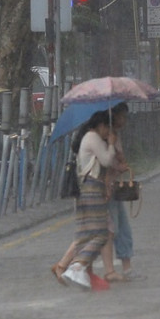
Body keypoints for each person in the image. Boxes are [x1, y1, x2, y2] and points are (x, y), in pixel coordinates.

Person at [60, 111, 117, 290]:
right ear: (100, 125)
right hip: (92, 189)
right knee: (100, 234)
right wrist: (112, 144)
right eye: (108, 128)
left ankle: (77, 268)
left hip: (87, 189)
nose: (109, 132)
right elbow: (107, 160)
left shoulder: (88, 137)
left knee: (86, 234)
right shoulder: (93, 138)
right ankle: (77, 266)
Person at [102, 102, 146, 282]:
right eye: (122, 116)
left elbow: (117, 159)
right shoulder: (104, 136)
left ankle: (126, 267)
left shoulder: (115, 135)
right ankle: (105, 269)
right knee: (110, 229)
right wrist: (117, 162)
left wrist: (121, 163)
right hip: (105, 189)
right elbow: (105, 161)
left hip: (115, 188)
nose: (125, 120)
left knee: (123, 229)